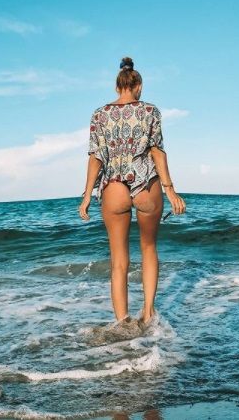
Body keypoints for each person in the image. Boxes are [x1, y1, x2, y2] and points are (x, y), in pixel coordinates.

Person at [78, 57, 186, 326]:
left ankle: (123, 323)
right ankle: (148, 314)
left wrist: (87, 195)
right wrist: (170, 190)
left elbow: (95, 157)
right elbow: (157, 152)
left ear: (117, 87)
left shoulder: (99, 114)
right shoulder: (150, 111)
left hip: (114, 186)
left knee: (118, 261)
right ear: (138, 86)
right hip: (145, 183)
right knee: (148, 247)